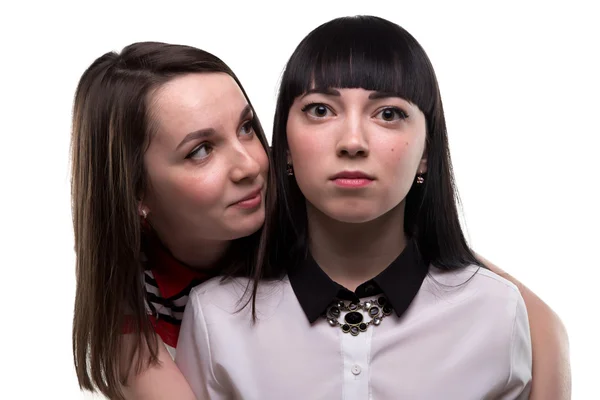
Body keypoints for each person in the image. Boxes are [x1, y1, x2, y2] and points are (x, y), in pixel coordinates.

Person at [176, 15, 537, 399]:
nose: (352, 142)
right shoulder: (216, 317)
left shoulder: (495, 313)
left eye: (388, 113)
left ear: (426, 153)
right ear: (283, 145)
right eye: (320, 110)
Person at [70, 41, 274, 400]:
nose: (251, 165)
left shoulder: (310, 210)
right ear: (136, 194)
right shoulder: (128, 279)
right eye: (201, 150)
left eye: (245, 127)